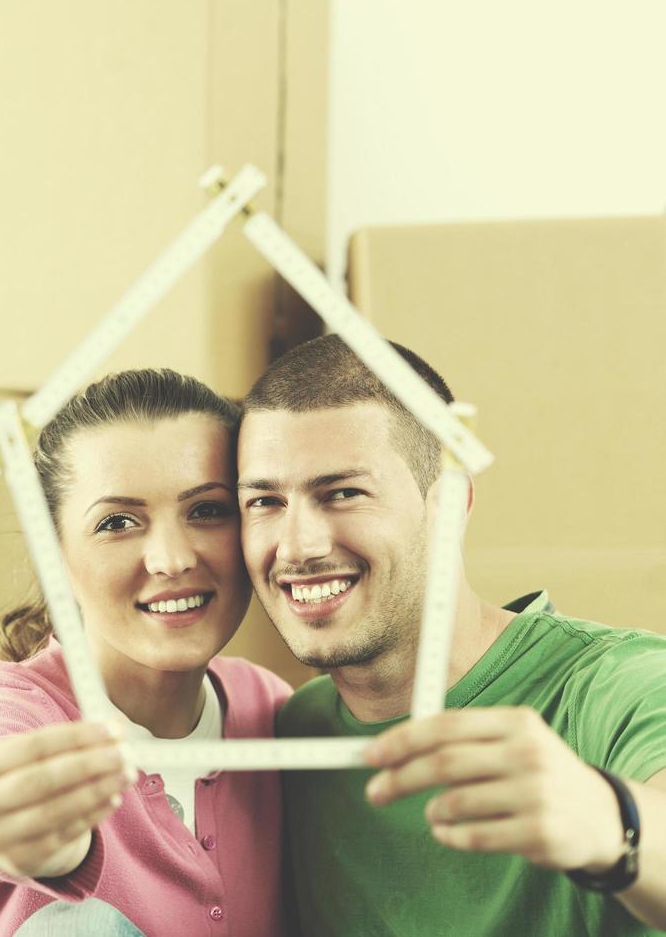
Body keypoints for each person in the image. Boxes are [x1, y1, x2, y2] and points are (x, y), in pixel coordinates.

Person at [237, 333, 666, 934]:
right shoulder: (290, 734)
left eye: (344, 493)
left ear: (451, 505)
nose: (298, 545)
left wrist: (607, 820)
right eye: (264, 501)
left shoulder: (619, 686)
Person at [0, 369, 292, 936]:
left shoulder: (267, 706)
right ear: (54, 553)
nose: (171, 559)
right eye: (117, 523)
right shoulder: (1, 708)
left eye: (207, 510)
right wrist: (17, 828)